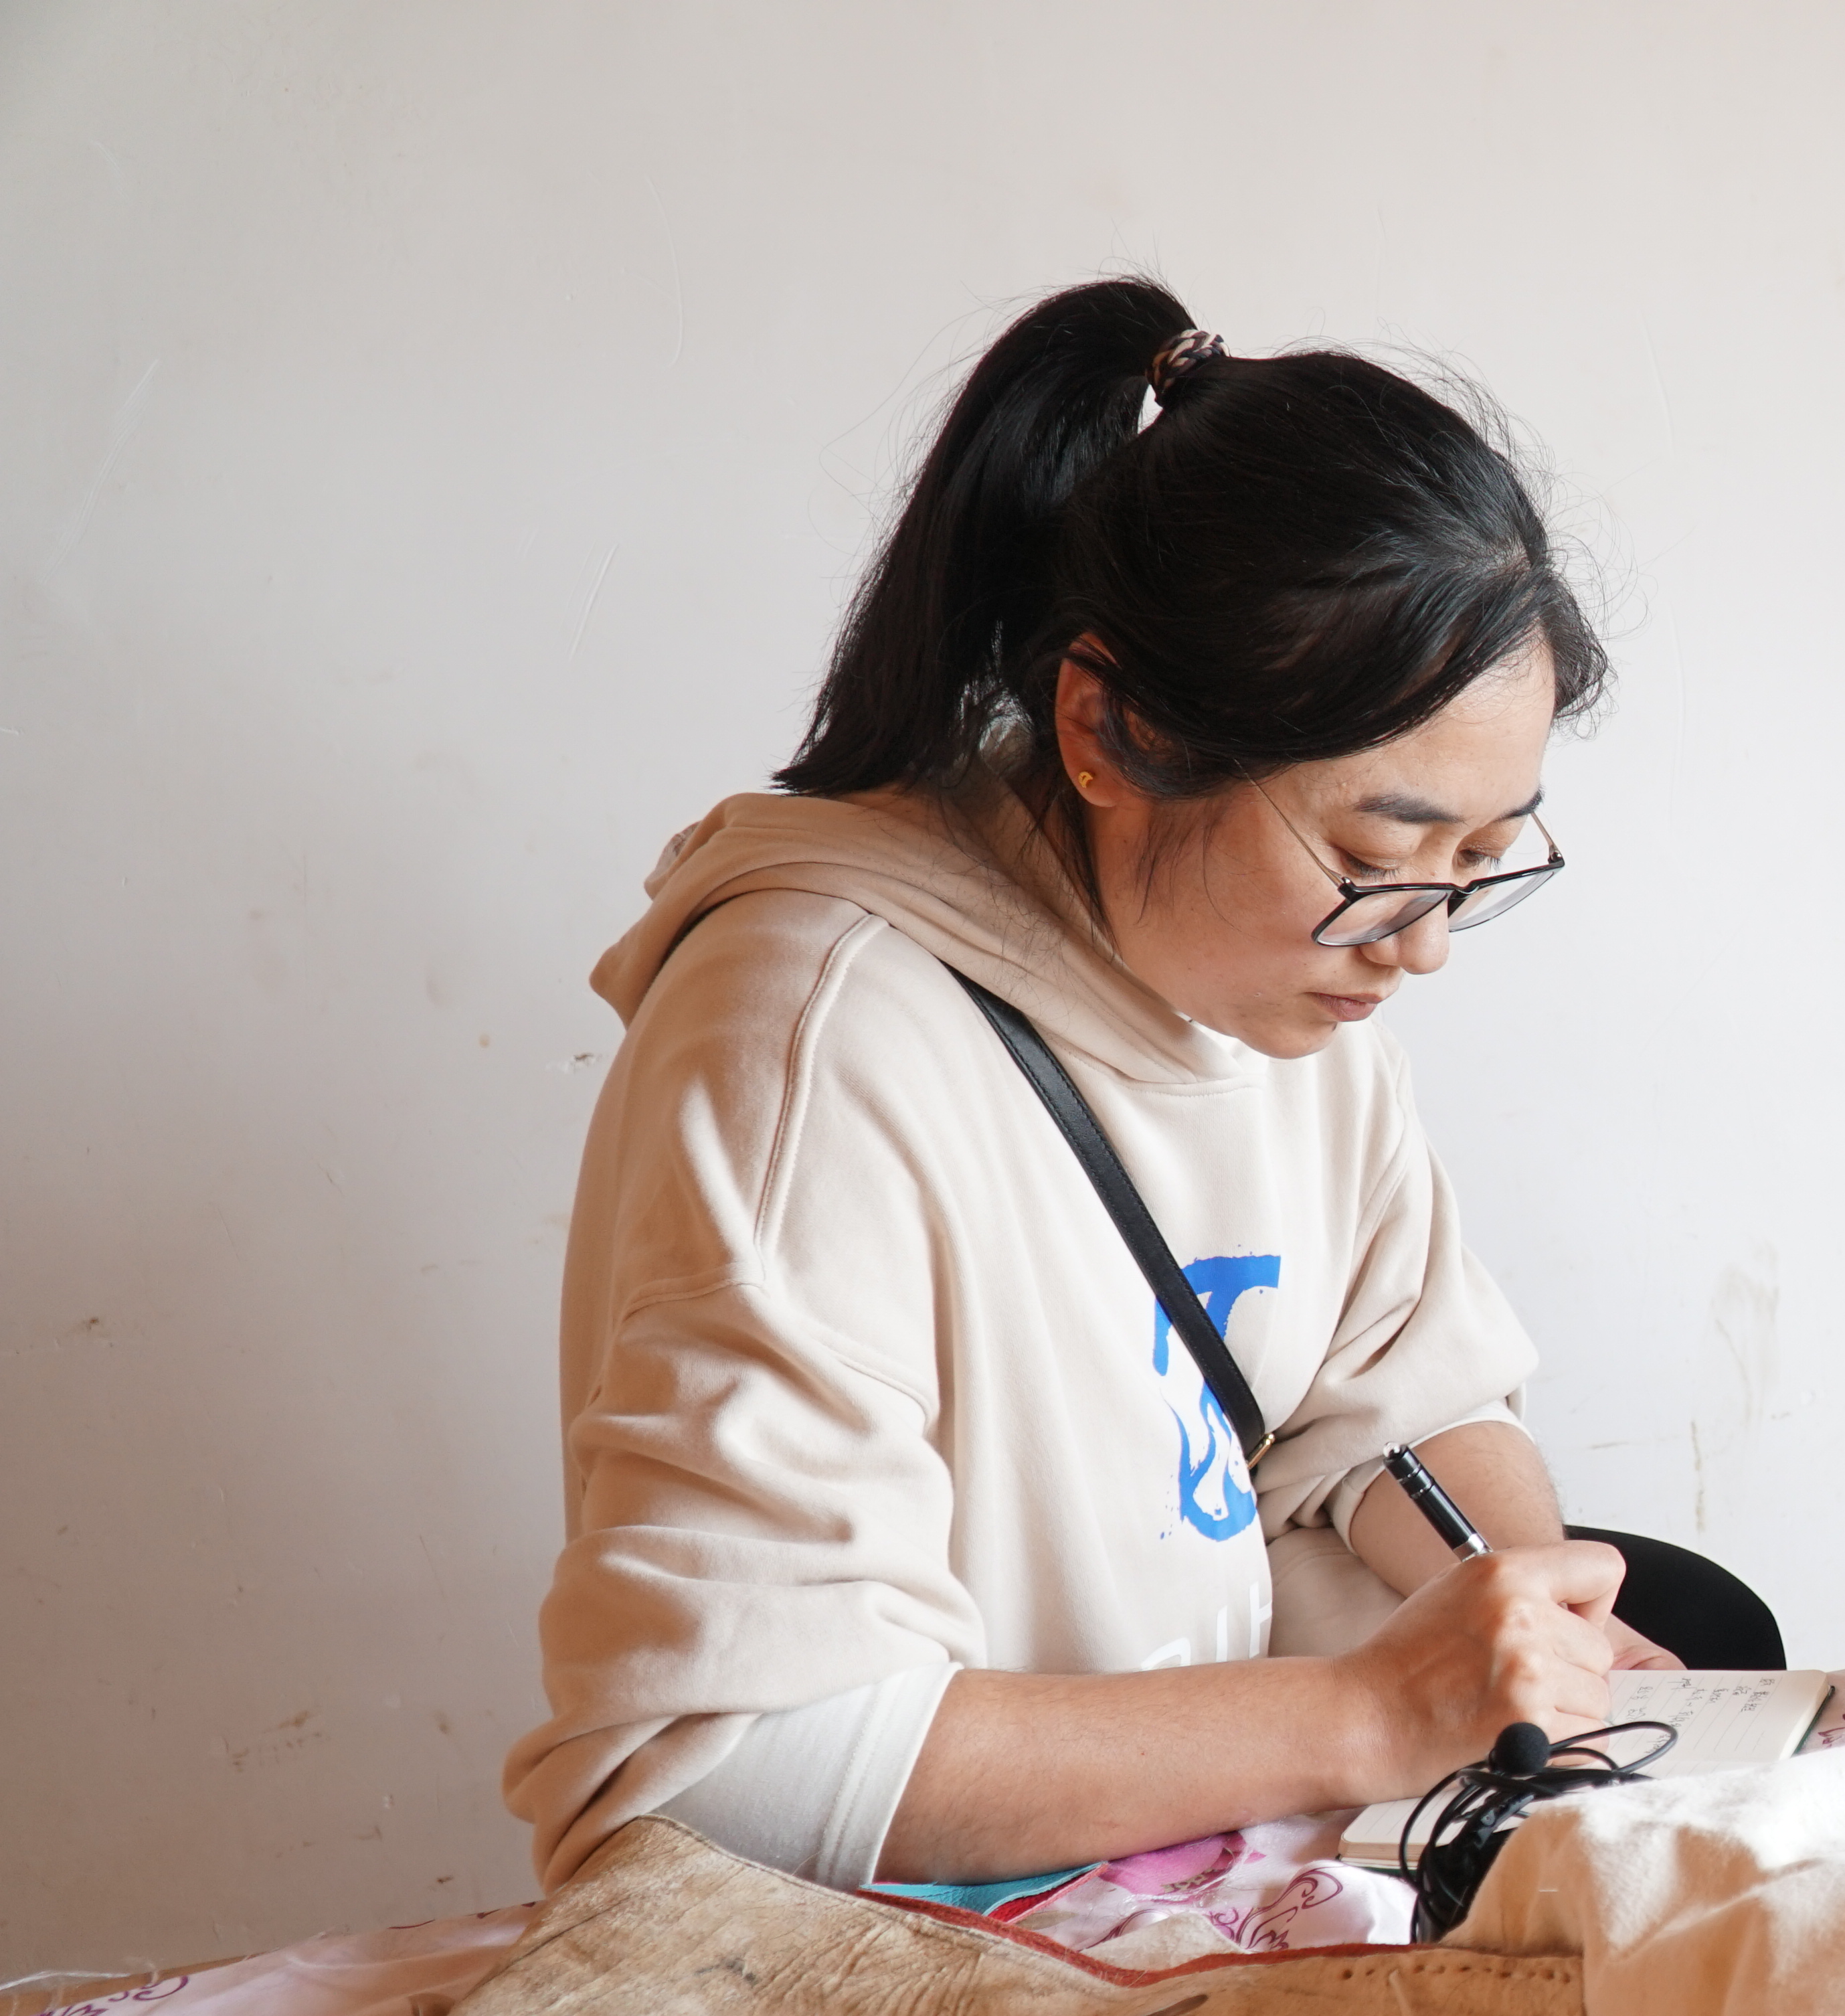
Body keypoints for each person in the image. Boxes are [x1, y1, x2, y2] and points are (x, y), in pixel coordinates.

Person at [506, 276, 1772, 1903]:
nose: (1422, 946)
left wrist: (1537, 1610)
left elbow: (1393, 1395)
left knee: (1716, 1645)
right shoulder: (812, 1038)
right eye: (1379, 855)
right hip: (923, 1954)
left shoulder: (1289, 987)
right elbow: (730, 1764)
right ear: (1107, 728)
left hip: (1198, 1876)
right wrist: (1369, 1712)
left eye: (1478, 862)